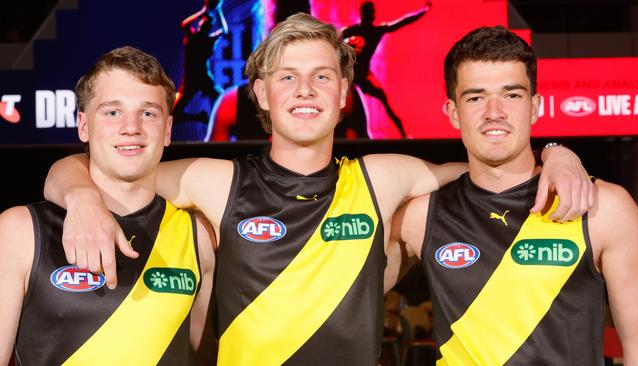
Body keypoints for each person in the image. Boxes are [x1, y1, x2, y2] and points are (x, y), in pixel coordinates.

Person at [44, 14, 593, 365]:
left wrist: (556, 153)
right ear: (260, 93)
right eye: (287, 76)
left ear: (345, 93)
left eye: (322, 76)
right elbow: (90, 167)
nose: (305, 90)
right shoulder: (214, 181)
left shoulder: (383, 178)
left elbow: (490, 168)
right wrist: (83, 197)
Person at [389, 26, 638, 365]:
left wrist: (555, 151)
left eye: (511, 95)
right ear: (453, 113)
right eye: (476, 97)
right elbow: (336, 302)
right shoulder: (419, 216)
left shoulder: (604, 207)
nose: (494, 111)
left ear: (535, 106)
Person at [0, 46, 217, 365]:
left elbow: (207, 357)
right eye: (112, 112)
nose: (132, 127)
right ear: (83, 126)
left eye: (148, 112)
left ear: (168, 129)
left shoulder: (197, 238)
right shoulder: (19, 231)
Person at [342, 0, 431, 138]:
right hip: (350, 78)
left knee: (384, 100)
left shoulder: (376, 31)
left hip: (364, 76)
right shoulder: (349, 31)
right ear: (362, 14)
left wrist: (423, 11)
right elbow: (332, 44)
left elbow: (402, 22)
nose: (370, 16)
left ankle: (404, 135)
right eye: (367, 13)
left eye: (371, 13)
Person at [173, 0, 228, 128]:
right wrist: (206, 11)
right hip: (191, 81)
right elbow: (184, 24)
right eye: (204, 20)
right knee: (174, 114)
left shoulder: (207, 40)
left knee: (224, 99)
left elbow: (224, 31)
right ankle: (200, 117)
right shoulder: (193, 36)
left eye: (207, 22)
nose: (204, 22)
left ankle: (219, 122)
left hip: (202, 79)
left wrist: (216, 10)